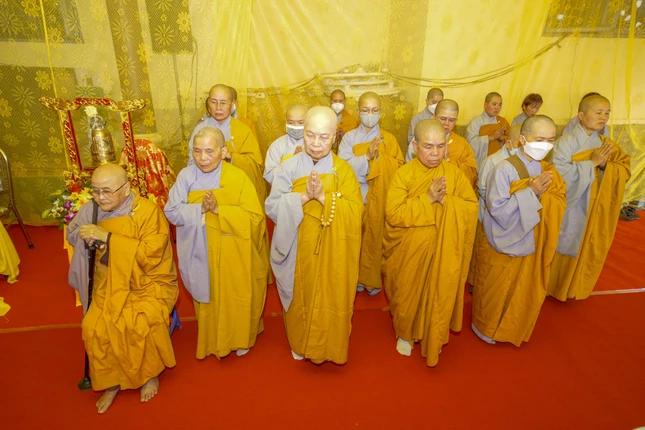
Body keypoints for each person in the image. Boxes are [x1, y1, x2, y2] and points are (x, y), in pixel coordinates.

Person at [67, 164, 178, 414]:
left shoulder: (146, 212)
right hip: (107, 281)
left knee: (137, 321)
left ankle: (148, 375)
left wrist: (107, 238)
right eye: (95, 191)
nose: (100, 197)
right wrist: (86, 236)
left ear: (126, 189)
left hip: (147, 281)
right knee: (94, 326)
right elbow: (72, 233)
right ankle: (111, 380)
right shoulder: (91, 210)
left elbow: (151, 255)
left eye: (107, 191)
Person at [266, 106, 363, 364]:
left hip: (334, 250)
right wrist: (303, 197)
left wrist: (322, 197)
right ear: (303, 133)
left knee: (330, 296)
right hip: (298, 248)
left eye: (323, 137)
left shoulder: (343, 171)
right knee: (301, 296)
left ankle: (330, 346)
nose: (316, 143)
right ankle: (299, 342)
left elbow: (356, 213)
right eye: (310, 135)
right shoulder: (287, 167)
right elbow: (272, 207)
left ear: (335, 136)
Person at [165, 127, 268, 359]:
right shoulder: (186, 177)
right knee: (208, 295)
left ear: (223, 151)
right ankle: (212, 340)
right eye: (197, 151)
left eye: (209, 151)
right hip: (201, 250)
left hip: (235, 251)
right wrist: (199, 209)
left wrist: (220, 210)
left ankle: (241, 338)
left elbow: (255, 218)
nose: (202, 158)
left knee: (237, 296)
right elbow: (171, 211)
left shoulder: (238, 177)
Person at [383, 119, 478, 366]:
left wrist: (447, 202)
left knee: (439, 293)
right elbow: (393, 213)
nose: (435, 153)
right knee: (406, 293)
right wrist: (427, 199)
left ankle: (432, 334)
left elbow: (471, 208)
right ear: (415, 146)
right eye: (428, 146)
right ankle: (404, 333)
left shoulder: (454, 175)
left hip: (444, 250)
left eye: (440, 146)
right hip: (409, 252)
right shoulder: (404, 174)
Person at [471, 115, 566, 346]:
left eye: (551, 140)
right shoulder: (503, 169)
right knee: (495, 289)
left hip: (533, 240)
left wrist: (543, 197)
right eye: (540, 139)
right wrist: (531, 193)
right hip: (504, 241)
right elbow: (498, 210)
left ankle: (512, 328)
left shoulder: (548, 170)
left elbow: (558, 200)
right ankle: (486, 328)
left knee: (522, 290)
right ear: (523, 139)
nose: (546, 145)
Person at [547, 95, 631, 301]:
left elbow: (624, 169)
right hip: (572, 204)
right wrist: (591, 163)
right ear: (581, 115)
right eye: (598, 112)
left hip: (595, 204)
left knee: (586, 243)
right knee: (564, 241)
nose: (604, 117)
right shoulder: (566, 142)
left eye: (607, 113)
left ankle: (573, 288)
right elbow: (558, 174)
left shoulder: (606, 144)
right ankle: (551, 286)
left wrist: (605, 166)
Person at [338, 91, 404, 295]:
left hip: (380, 196)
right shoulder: (349, 138)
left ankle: (371, 279)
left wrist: (382, 160)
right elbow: (341, 169)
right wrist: (366, 158)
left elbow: (399, 167)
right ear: (358, 112)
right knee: (355, 239)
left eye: (375, 110)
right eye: (366, 110)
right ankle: (355, 277)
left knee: (375, 239)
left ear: (381, 112)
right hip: (355, 196)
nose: (370, 114)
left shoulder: (389, 139)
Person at [189, 84, 266, 206]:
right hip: (205, 187)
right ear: (208, 104)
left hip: (235, 187)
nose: (218, 107)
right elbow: (191, 163)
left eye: (223, 103)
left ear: (232, 104)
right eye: (213, 102)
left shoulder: (243, 130)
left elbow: (256, 166)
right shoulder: (199, 129)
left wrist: (231, 156)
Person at [468, 125, 523, 289]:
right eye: (519, 144)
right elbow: (483, 188)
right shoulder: (492, 161)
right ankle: (478, 283)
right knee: (485, 255)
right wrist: (506, 203)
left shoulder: (528, 162)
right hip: (490, 215)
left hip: (516, 217)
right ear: (508, 143)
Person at [406, 99, 478, 192]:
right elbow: (409, 169)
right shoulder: (420, 139)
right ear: (434, 117)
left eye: (451, 120)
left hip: (451, 192)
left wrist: (448, 161)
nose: (446, 123)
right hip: (422, 191)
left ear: (456, 121)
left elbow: (471, 175)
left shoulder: (462, 143)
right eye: (443, 119)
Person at [264, 104, 307, 185]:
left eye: (301, 123)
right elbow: (269, 175)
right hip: (283, 190)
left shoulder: (315, 145)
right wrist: (292, 161)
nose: (295, 126)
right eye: (291, 122)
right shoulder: (277, 146)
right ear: (286, 122)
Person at [466, 92, 511, 168]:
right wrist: (491, 137)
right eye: (494, 104)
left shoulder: (503, 121)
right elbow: (470, 144)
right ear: (485, 105)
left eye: (500, 105)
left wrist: (502, 138)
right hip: (482, 162)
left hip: (500, 162)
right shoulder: (476, 122)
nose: (497, 108)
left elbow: (512, 141)